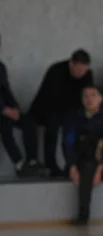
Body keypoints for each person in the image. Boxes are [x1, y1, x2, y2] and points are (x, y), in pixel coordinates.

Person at [63, 86, 103, 226]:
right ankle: (83, 216)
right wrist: (71, 166)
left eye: (93, 95)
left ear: (100, 98)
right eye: (86, 96)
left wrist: (101, 167)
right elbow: (68, 142)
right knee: (85, 174)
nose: (89, 99)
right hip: (85, 158)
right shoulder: (75, 116)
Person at [29, 49, 93, 176]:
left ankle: (75, 164)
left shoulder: (87, 74)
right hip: (48, 109)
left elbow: (87, 96)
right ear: (71, 64)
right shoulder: (56, 71)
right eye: (79, 70)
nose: (81, 73)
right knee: (53, 126)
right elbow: (51, 98)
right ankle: (50, 164)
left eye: (84, 70)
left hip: (70, 110)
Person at [0, 33, 45, 177]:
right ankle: (19, 164)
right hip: (1, 112)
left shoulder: (1, 67)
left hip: (5, 109)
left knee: (28, 122)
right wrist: (4, 109)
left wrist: (14, 106)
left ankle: (32, 161)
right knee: (4, 125)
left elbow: (5, 90)